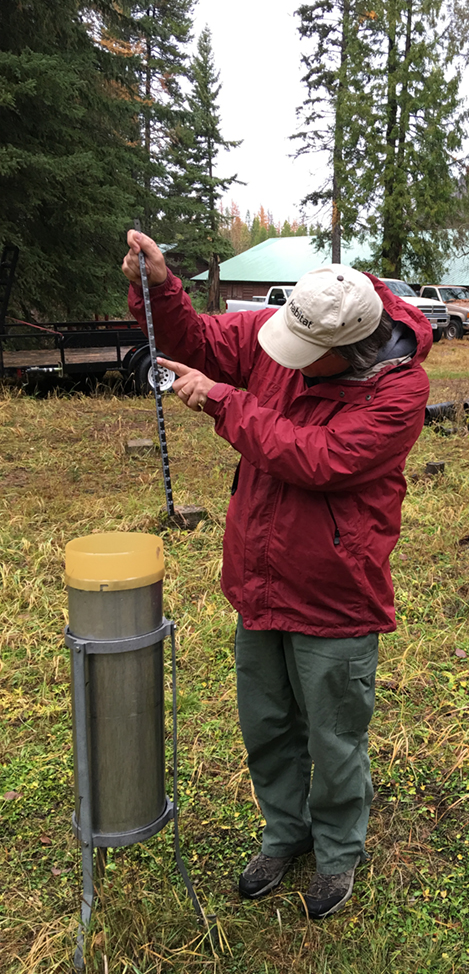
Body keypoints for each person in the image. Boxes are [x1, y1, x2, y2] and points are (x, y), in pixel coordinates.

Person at [121, 232, 432, 918]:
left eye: (303, 357)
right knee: (266, 722)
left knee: (335, 736)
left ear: (345, 350)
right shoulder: (294, 325)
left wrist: (223, 403)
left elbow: (317, 457)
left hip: (336, 595)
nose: (283, 358)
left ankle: (338, 852)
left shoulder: (397, 394)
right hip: (259, 578)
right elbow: (201, 341)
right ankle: (284, 834)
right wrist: (165, 286)